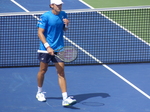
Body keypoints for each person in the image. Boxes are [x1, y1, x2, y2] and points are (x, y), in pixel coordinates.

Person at [36, 0, 76, 106]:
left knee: (61, 73)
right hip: (45, 49)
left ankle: (65, 98)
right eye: (57, 5)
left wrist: (66, 25)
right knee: (43, 71)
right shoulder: (45, 16)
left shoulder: (63, 14)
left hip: (59, 48)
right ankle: (39, 92)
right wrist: (47, 46)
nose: (59, 6)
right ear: (51, 5)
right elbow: (40, 33)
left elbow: (64, 30)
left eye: (60, 5)